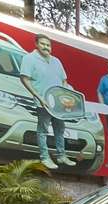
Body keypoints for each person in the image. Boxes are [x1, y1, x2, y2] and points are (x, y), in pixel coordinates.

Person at [19, 34, 74, 170]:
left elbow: (64, 80)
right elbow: (24, 78)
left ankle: (61, 155)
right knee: (43, 130)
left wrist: (63, 96)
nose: (46, 47)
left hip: (58, 104)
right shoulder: (29, 59)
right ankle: (45, 157)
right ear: (36, 44)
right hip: (43, 102)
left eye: (48, 45)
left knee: (60, 129)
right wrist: (38, 97)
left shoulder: (56, 61)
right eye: (43, 44)